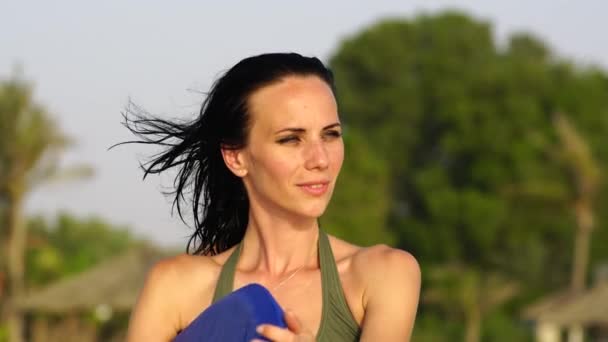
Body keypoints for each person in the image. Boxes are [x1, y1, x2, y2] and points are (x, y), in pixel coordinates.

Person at [123, 52, 420, 341]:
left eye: (330, 134)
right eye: (291, 139)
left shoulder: (383, 274)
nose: (320, 159)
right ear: (236, 157)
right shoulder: (175, 287)